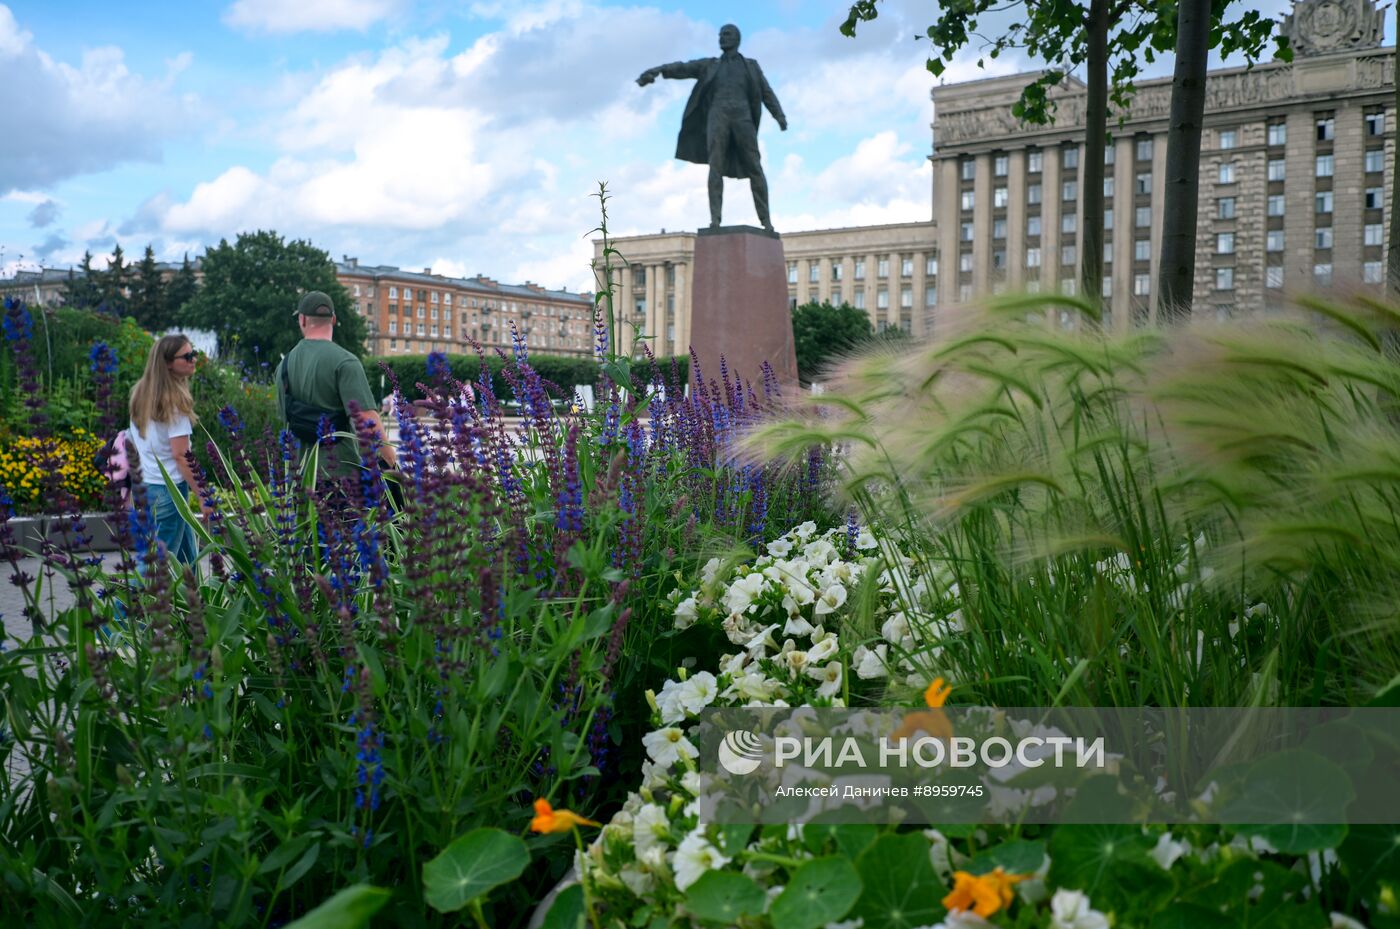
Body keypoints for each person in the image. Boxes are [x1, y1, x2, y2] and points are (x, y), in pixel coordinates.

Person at [637, 23, 788, 231]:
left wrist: (779, 115)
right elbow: (683, 67)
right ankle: (715, 220)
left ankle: (766, 221)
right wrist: (658, 71)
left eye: (726, 34)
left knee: (755, 168)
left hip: (743, 118)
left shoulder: (751, 66)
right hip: (718, 117)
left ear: (737, 38)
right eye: (720, 35)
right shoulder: (710, 65)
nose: (722, 38)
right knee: (715, 167)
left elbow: (766, 93)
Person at [275, 291, 397, 480]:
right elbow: (365, 419)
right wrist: (391, 461)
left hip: (297, 478)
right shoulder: (345, 361)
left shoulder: (283, 367)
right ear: (333, 319)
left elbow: (285, 421)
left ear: (302, 320)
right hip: (343, 478)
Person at [127, 334, 210, 564]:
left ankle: (196, 600)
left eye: (194, 354)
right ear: (168, 363)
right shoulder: (175, 401)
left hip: (146, 487)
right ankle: (122, 602)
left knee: (186, 561)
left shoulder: (140, 395)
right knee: (155, 569)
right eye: (187, 356)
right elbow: (181, 455)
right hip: (169, 493)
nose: (194, 359)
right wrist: (203, 495)